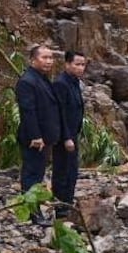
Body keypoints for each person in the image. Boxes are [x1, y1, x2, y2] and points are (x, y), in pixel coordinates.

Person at [16, 44, 63, 226]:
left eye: (51, 57)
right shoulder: (27, 81)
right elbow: (28, 111)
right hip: (35, 139)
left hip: (46, 137)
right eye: (44, 57)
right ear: (33, 60)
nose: (49, 61)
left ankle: (34, 210)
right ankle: (33, 212)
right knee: (31, 175)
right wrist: (35, 136)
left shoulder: (42, 79)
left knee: (38, 174)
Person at [52, 50, 86, 219]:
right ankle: (60, 205)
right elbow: (60, 113)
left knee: (72, 170)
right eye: (77, 64)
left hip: (73, 133)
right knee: (62, 170)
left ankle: (68, 201)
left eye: (83, 65)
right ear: (67, 64)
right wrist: (66, 137)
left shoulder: (74, 82)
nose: (81, 68)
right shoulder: (61, 83)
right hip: (65, 136)